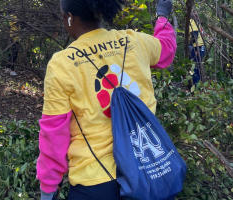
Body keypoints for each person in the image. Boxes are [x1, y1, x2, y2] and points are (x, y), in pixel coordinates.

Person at [36, 0, 175, 199]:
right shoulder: (136, 42)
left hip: (96, 182)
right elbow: (167, 49)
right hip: (150, 169)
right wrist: (162, 16)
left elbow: (53, 133)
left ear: (69, 17)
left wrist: (48, 188)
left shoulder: (62, 64)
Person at [189, 16, 205, 85]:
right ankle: (201, 88)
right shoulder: (197, 23)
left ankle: (198, 90)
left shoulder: (191, 22)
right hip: (201, 48)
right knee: (198, 69)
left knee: (192, 70)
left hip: (197, 48)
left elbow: (195, 35)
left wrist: (189, 44)